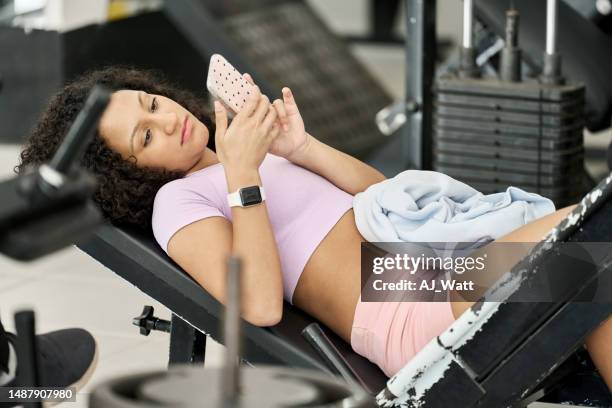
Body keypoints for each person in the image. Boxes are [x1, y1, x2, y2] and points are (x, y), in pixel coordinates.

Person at [16, 67, 612, 388]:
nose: (166, 119)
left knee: (595, 266)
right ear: (127, 176)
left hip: (428, 268)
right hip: (402, 299)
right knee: (592, 251)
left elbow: (377, 194)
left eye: (149, 103)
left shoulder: (236, 151)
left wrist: (301, 148)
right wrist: (243, 173)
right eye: (144, 138)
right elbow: (258, 305)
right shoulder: (179, 201)